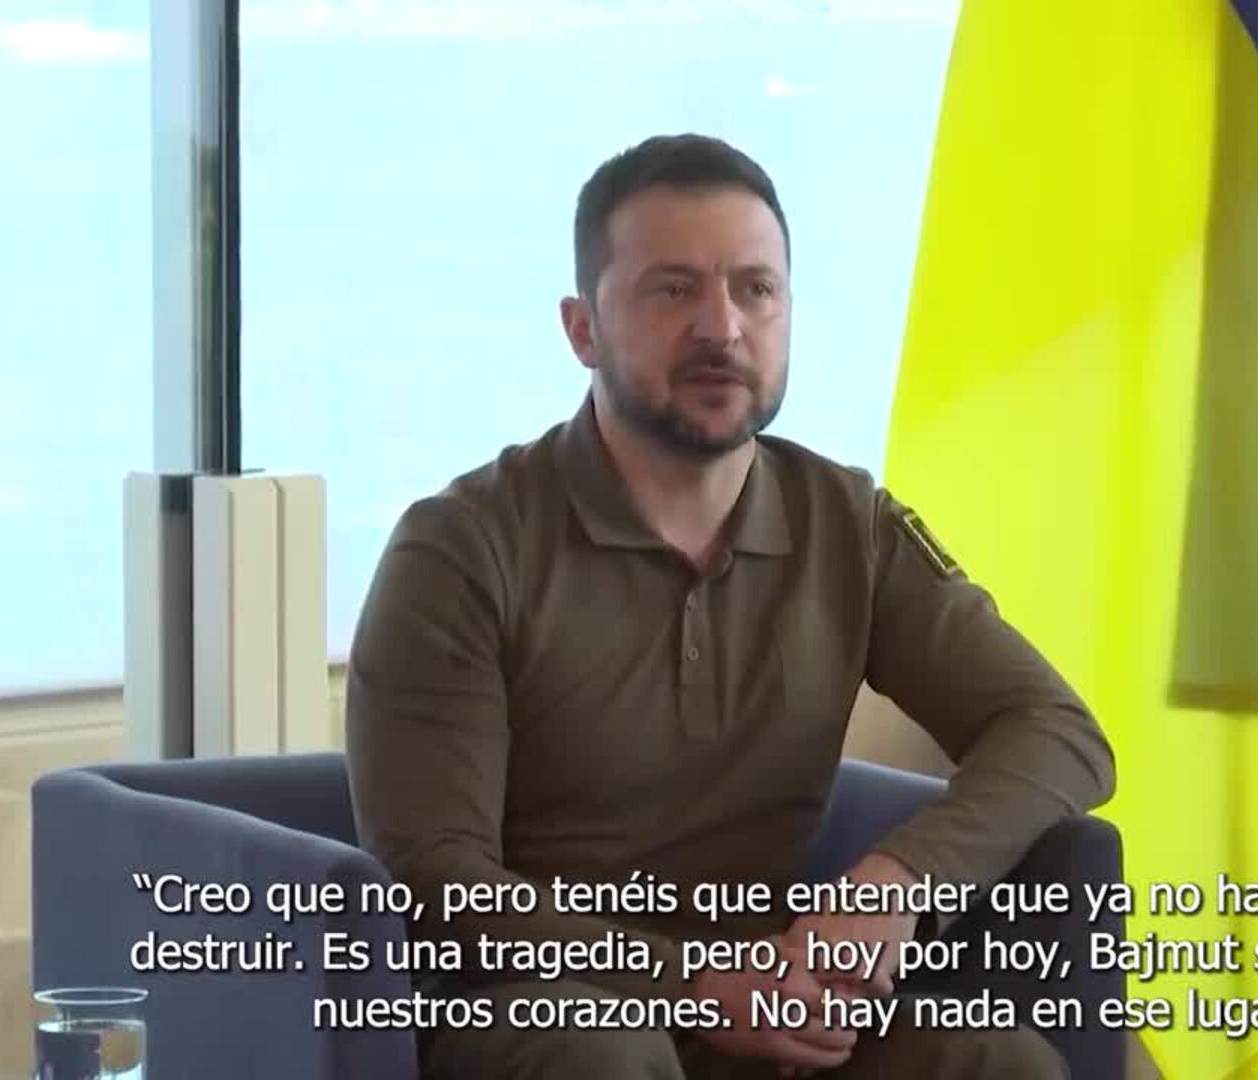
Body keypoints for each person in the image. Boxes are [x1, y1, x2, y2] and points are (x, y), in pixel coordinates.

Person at [346, 132, 1116, 1079]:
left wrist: (898, 881)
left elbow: (1058, 729)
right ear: (583, 329)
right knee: (609, 1058)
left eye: (756, 289)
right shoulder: (461, 548)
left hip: (774, 1007)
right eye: (673, 290)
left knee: (999, 1062)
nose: (723, 328)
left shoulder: (847, 523)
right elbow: (434, 884)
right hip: (533, 1018)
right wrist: (694, 986)